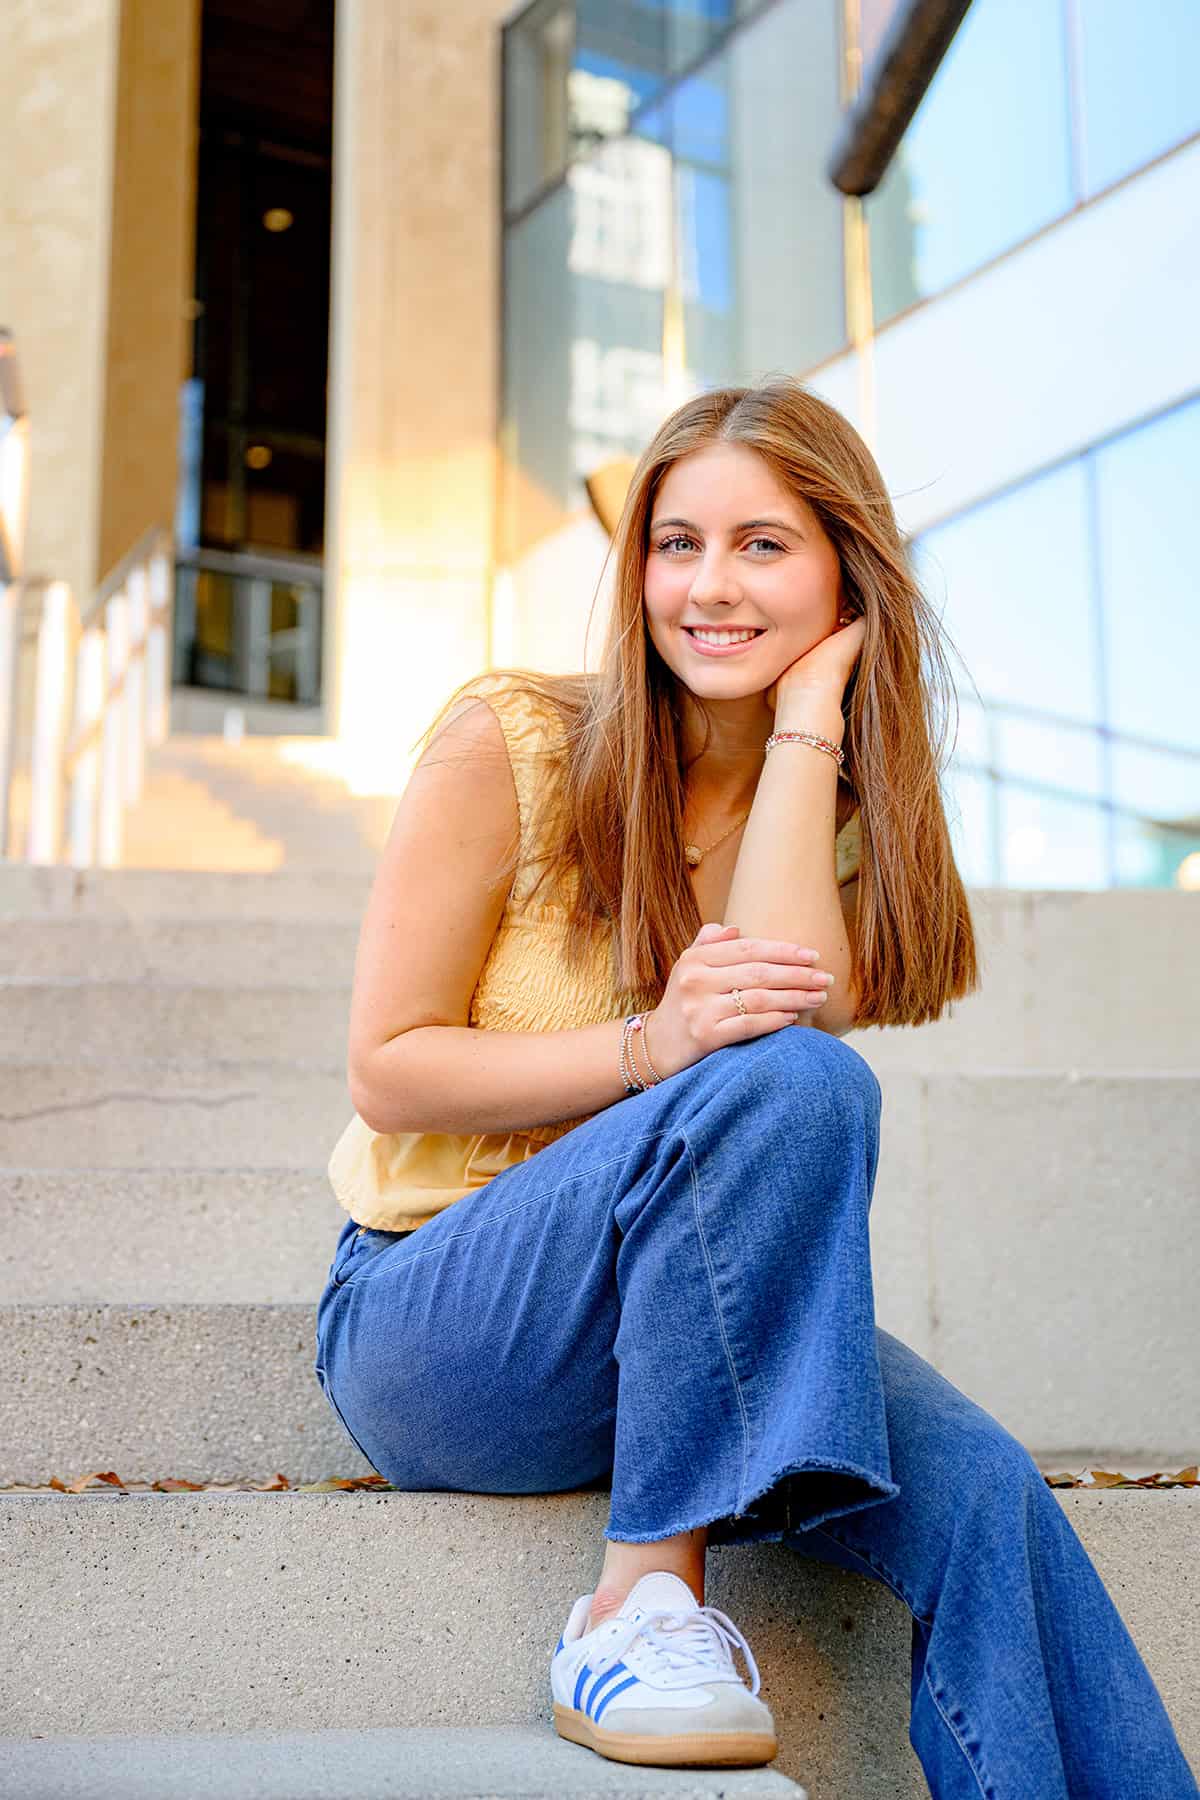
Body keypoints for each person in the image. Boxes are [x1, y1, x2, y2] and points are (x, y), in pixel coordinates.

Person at [313, 377, 1198, 1796]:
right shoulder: (514, 742)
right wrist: (645, 1048)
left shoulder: (835, 818)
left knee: (982, 1489)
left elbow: (792, 1001)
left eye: (763, 546)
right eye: (677, 545)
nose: (709, 587)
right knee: (795, 1085)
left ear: (845, 568)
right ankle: (637, 1607)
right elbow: (389, 1066)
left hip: (684, 1332)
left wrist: (810, 718)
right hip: (441, 1322)